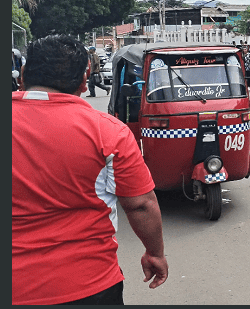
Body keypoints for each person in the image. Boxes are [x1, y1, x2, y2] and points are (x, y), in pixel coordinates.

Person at [12, 34, 168, 305]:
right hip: (90, 285)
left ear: (23, 75)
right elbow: (141, 204)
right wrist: (155, 254)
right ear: (85, 82)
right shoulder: (108, 132)